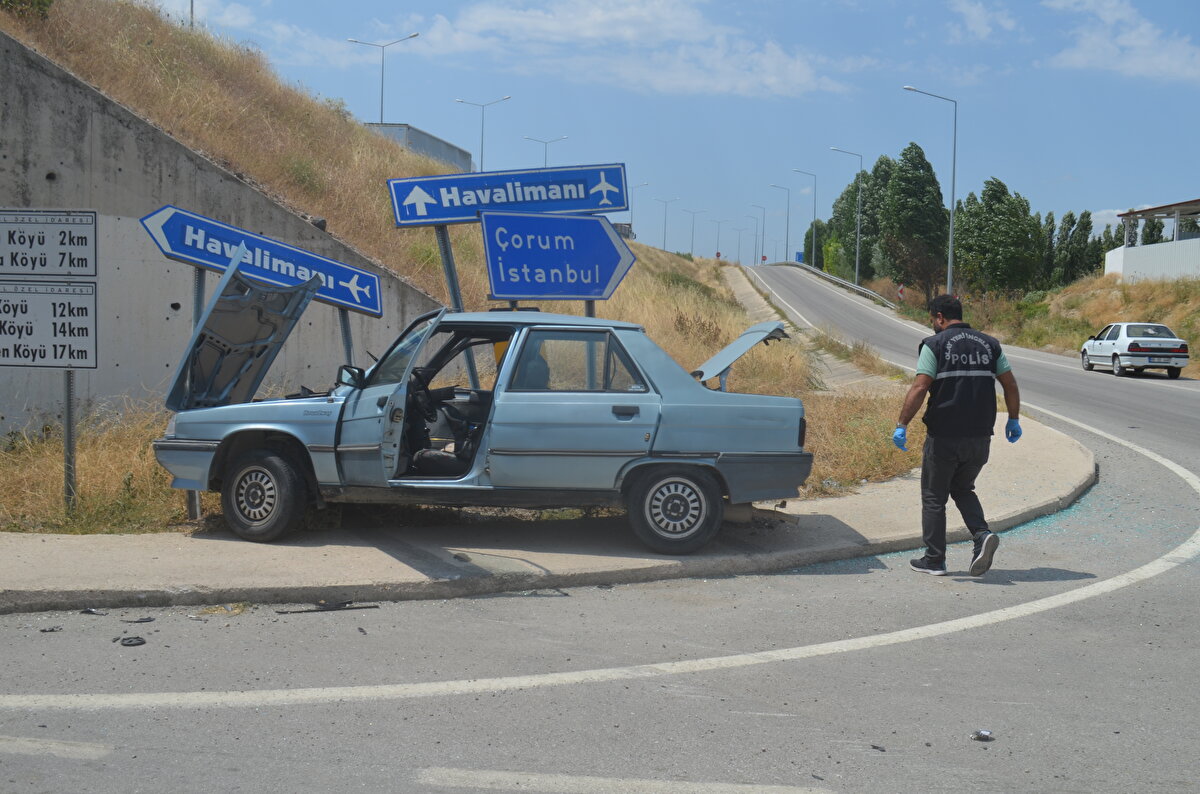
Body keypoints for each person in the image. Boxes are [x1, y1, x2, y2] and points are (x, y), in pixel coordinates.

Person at [892, 295, 1021, 576]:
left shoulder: (934, 345)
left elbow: (920, 387)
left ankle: (934, 560)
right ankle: (981, 534)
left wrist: (902, 424)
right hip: (980, 436)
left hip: (945, 436)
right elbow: (1010, 384)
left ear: (939, 317)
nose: (932, 324)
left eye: (932, 319)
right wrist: (1013, 419)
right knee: (962, 488)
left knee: (934, 497)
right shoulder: (990, 344)